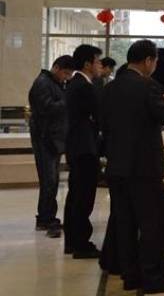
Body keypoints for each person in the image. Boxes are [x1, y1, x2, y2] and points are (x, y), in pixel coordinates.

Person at [100, 40, 164, 294]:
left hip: (116, 166)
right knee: (152, 225)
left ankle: (131, 276)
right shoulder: (148, 86)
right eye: (155, 61)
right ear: (148, 60)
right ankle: (154, 278)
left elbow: (102, 123)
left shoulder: (109, 88)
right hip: (144, 168)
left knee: (124, 223)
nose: (155, 65)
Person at [63, 44, 103, 258]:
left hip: (77, 146)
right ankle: (80, 243)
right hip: (84, 147)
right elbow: (99, 114)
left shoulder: (76, 83)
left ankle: (72, 241)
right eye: (98, 61)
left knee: (75, 195)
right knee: (83, 197)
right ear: (88, 64)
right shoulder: (83, 86)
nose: (100, 65)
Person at [28, 55, 75, 237]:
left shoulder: (54, 83)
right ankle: (45, 219)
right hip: (45, 139)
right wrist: (66, 101)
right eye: (65, 73)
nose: (66, 77)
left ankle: (47, 217)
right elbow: (46, 109)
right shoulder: (43, 83)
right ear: (56, 68)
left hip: (53, 140)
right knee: (49, 181)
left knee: (52, 181)